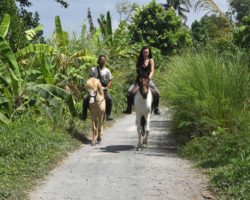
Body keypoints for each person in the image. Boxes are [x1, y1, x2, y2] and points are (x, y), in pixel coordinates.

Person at [122, 46, 160, 115]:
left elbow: (152, 71)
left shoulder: (151, 60)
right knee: (129, 92)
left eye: (147, 52)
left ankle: (156, 108)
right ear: (142, 53)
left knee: (157, 92)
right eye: (144, 52)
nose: (146, 53)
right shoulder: (139, 60)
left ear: (149, 53)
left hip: (148, 79)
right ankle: (129, 108)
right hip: (139, 79)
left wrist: (149, 78)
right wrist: (141, 75)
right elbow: (137, 69)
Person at [81, 55, 113, 121]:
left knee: (109, 99)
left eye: (103, 60)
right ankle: (84, 115)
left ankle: (108, 115)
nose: (102, 61)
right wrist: (91, 86)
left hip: (103, 88)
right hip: (94, 88)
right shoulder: (93, 69)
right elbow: (89, 78)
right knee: (85, 98)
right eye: (101, 60)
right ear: (98, 61)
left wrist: (107, 87)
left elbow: (110, 81)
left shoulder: (107, 70)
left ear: (105, 61)